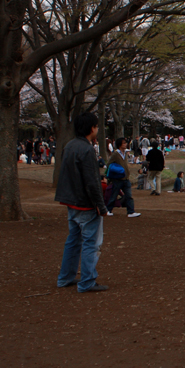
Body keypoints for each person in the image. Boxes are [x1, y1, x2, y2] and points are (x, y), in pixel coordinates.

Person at [55, 111, 110, 292]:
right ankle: (87, 281)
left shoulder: (70, 145)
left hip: (71, 201)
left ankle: (65, 277)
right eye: (96, 126)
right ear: (91, 128)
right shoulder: (86, 149)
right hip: (85, 203)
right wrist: (101, 206)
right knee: (90, 243)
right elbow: (91, 182)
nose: (97, 129)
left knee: (73, 240)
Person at [105, 138, 140, 218]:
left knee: (129, 196)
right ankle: (108, 210)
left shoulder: (125, 153)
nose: (126, 144)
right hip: (118, 179)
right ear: (120, 145)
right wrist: (116, 171)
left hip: (125, 178)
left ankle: (131, 211)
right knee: (113, 196)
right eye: (124, 143)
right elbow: (109, 164)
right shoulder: (115, 154)